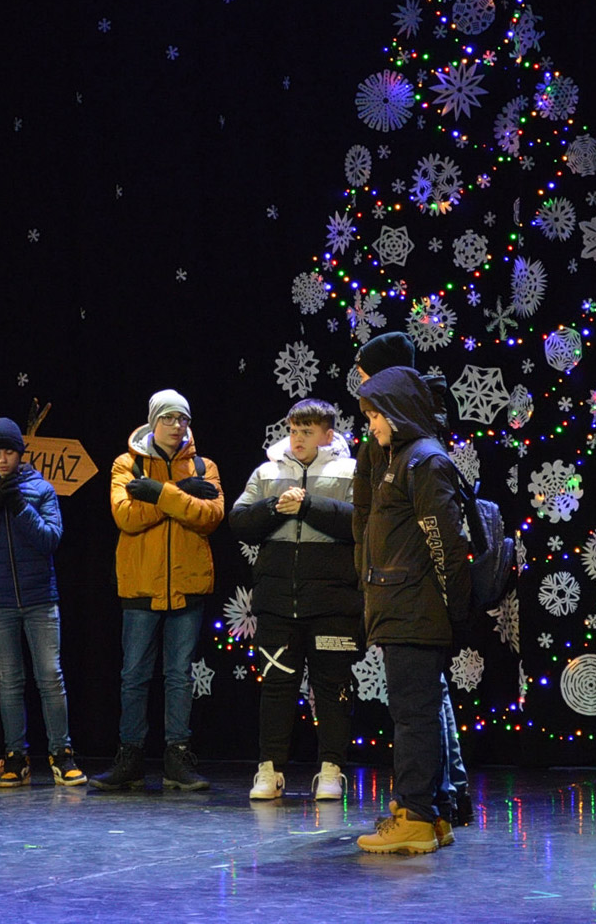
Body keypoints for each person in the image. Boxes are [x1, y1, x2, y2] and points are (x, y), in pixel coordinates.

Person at [352, 333, 473, 826]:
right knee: (419, 705)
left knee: (417, 710)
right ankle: (433, 804)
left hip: (411, 599)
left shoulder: (420, 457)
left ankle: (423, 810)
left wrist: (453, 605)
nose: (370, 424)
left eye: (374, 412)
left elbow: (443, 541)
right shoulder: (401, 451)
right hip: (396, 594)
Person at [91, 389, 224, 792]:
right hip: (141, 584)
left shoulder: (203, 466)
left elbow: (211, 516)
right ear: (153, 422)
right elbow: (125, 516)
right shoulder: (126, 463)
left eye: (182, 419)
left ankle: (177, 757)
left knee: (179, 675)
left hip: (187, 582)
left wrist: (160, 491)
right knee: (134, 674)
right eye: (167, 418)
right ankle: (130, 757)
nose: (175, 426)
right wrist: (182, 494)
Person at [229, 398, 360, 802]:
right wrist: (275, 507)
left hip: (333, 602)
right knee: (276, 687)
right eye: (293, 430)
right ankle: (270, 770)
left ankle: (331, 769)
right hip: (277, 601)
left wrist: (309, 505)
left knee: (333, 687)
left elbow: (362, 522)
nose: (298, 438)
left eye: (307, 431)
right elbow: (239, 521)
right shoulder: (267, 472)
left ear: (328, 434)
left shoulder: (351, 471)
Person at [0, 417, 85, 788]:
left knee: (50, 676)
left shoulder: (40, 489)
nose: (3, 459)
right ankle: (16, 757)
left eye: (9, 451)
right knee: (10, 680)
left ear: (20, 453)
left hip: (40, 597)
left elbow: (50, 539)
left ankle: (61, 753)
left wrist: (19, 507)